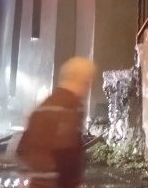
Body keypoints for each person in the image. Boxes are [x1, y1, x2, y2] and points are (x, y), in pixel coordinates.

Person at [16, 56, 96, 188]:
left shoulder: (52, 104)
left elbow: (22, 148)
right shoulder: (67, 108)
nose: (88, 86)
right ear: (78, 80)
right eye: (87, 81)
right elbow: (66, 153)